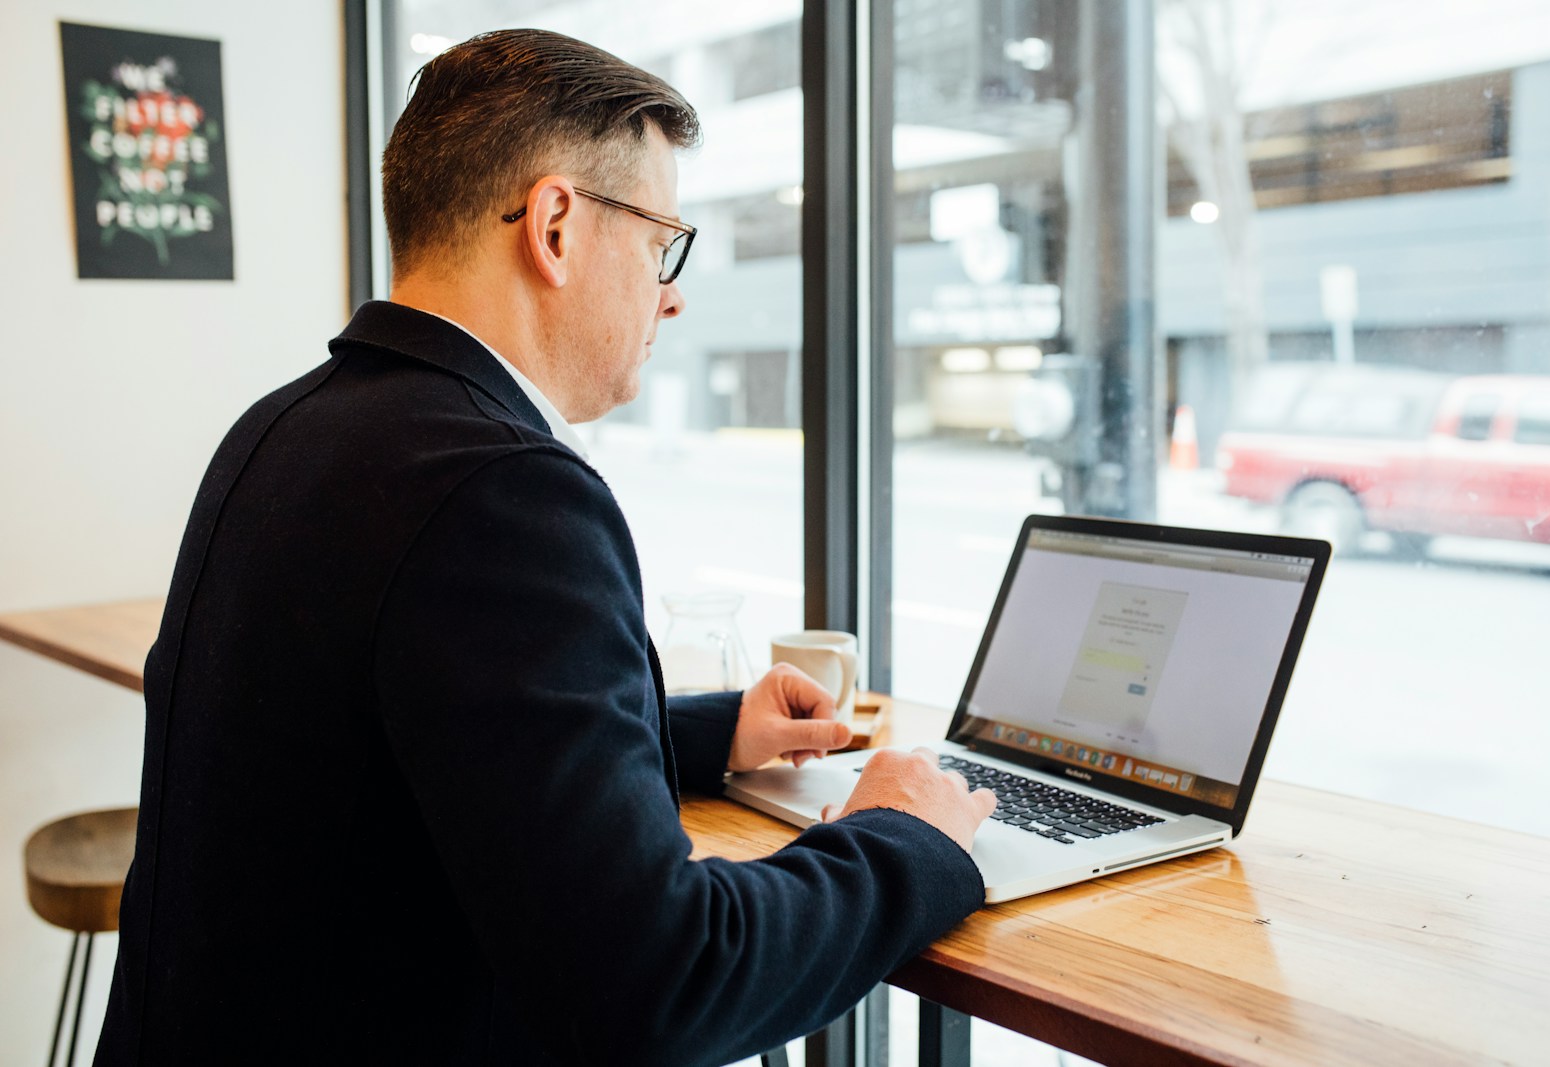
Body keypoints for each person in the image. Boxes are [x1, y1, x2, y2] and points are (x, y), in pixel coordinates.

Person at [95, 28, 994, 1067]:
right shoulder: (501, 490)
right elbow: (660, 984)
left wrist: (704, 732)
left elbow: (415, 731)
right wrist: (900, 836)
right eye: (662, 242)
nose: (671, 292)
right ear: (556, 224)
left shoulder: (282, 427)